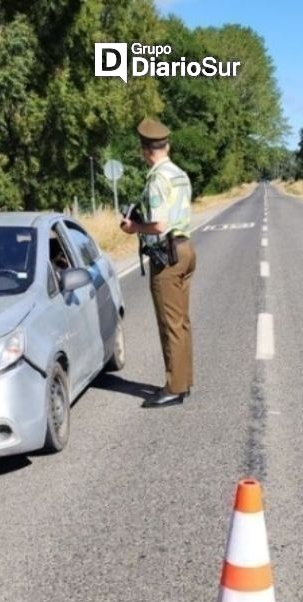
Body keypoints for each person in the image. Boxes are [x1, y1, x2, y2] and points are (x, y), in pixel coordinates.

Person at [120, 118, 196, 408]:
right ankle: (183, 381)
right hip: (186, 249)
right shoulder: (179, 174)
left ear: (144, 150)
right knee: (182, 322)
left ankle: (174, 387)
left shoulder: (156, 179)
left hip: (167, 256)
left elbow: (160, 224)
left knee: (170, 324)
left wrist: (134, 228)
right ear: (167, 145)